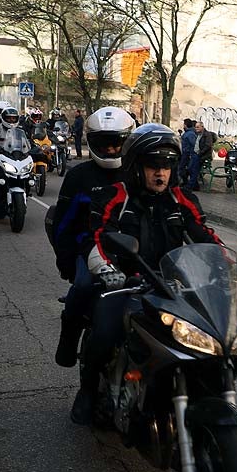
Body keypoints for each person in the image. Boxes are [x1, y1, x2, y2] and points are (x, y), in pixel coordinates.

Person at [70, 123, 224, 423]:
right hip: (126, 285)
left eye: (166, 165)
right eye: (153, 164)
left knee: (214, 338)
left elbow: (204, 235)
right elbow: (97, 236)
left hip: (173, 288)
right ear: (136, 166)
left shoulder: (181, 199)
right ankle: (88, 391)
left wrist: (229, 266)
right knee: (104, 331)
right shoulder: (114, 196)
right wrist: (107, 269)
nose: (160, 172)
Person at [50, 107, 134, 369]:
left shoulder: (135, 173)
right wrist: (65, 261)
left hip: (130, 249)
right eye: (104, 143)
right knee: (84, 288)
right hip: (87, 250)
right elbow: (62, 224)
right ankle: (68, 340)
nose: (110, 150)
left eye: (117, 143)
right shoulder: (78, 176)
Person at [180, 118, 197, 187]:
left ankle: (192, 184)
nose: (183, 126)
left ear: (186, 125)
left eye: (184, 124)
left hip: (187, 154)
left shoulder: (190, 134)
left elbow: (193, 145)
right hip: (186, 153)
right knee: (186, 169)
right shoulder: (188, 133)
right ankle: (186, 182)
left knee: (186, 169)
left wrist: (190, 153)